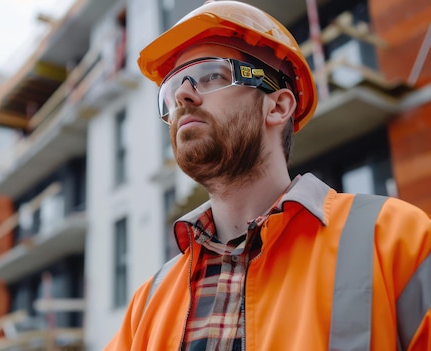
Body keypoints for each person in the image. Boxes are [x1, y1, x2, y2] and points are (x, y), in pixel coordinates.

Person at [104, 1, 431, 350]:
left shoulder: (395, 239)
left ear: (276, 106)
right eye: (171, 92)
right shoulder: (148, 303)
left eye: (211, 75)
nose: (182, 95)